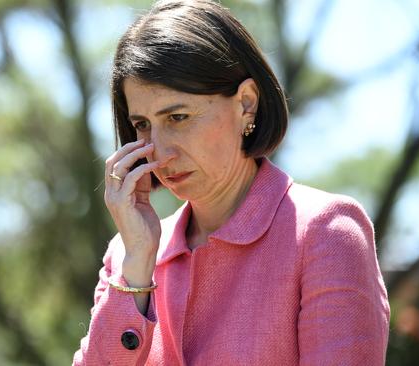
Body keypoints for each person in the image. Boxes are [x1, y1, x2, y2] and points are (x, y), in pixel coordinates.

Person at [73, 0, 390, 364]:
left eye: (177, 117)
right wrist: (137, 268)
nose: (157, 152)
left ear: (247, 104)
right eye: (142, 125)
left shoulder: (325, 232)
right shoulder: (128, 255)